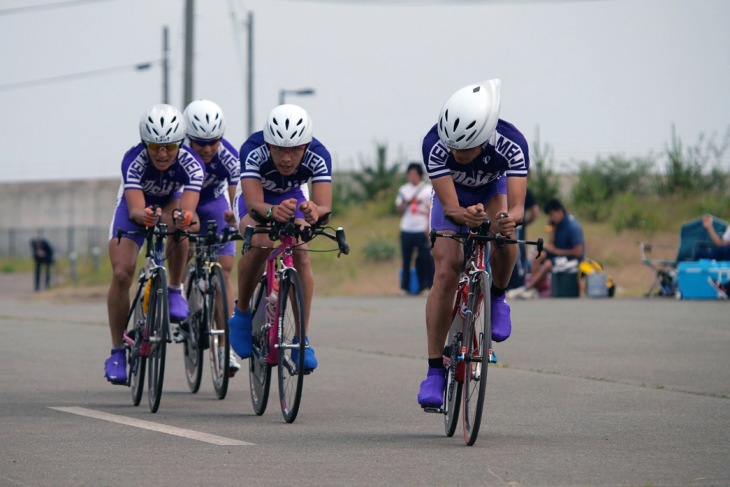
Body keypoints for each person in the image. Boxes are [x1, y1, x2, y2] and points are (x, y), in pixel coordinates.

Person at [417, 79, 529, 408]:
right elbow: (450, 207)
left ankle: (498, 297)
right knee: (446, 270)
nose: (457, 154)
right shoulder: (434, 143)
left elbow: (519, 207)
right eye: (453, 147)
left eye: (466, 148)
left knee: (505, 235)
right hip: (453, 198)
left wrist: (510, 219)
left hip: (493, 190)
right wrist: (463, 216)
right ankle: (435, 370)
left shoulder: (513, 142)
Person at [104, 104, 205, 385]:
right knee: (122, 273)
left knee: (181, 224)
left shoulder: (193, 164)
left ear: (180, 143)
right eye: (155, 146)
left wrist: (181, 218)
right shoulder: (133, 159)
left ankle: (174, 289)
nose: (162, 154)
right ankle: (117, 351)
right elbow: (135, 208)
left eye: (170, 147)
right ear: (144, 142)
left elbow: (188, 208)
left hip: (170, 201)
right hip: (135, 208)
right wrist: (146, 216)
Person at [228, 104, 332, 371]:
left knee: (302, 251)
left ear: (306, 146)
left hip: (295, 197)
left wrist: (313, 211)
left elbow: (324, 208)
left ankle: (302, 339)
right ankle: (241, 316)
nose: (286, 158)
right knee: (260, 243)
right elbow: (253, 204)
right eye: (279, 150)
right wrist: (273, 212)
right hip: (258, 199)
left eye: (295, 150)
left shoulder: (320, 155)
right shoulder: (252, 149)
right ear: (268, 144)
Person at [183, 99, 242, 376]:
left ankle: (224, 346)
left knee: (224, 272)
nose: (207, 149)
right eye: (200, 143)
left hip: (214, 203)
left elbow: (237, 191)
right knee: (183, 237)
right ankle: (182, 287)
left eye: (213, 142)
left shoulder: (228, 154)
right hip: (184, 200)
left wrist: (235, 218)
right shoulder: (178, 152)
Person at [508, 198, 584, 299]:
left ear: (560, 211)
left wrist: (555, 251)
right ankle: (533, 289)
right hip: (557, 255)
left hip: (570, 258)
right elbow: (552, 243)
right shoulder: (556, 224)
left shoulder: (572, 226)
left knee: (548, 264)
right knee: (537, 255)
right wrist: (551, 230)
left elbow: (578, 252)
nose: (551, 218)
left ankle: (528, 288)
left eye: (552, 215)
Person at [395, 162, 434, 295]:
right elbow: (399, 209)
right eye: (410, 174)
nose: (412, 177)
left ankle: (427, 285)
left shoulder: (428, 189)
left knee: (425, 258)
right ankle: (405, 287)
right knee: (406, 258)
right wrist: (407, 201)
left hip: (421, 227)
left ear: (420, 175)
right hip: (406, 227)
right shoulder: (403, 190)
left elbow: (432, 209)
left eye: (414, 174)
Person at [506, 187, 539, 290]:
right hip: (517, 224)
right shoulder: (524, 190)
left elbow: (535, 211)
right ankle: (518, 283)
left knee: (505, 250)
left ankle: (510, 283)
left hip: (504, 222)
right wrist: (525, 222)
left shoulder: (504, 187)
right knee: (517, 251)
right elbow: (535, 211)